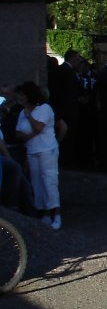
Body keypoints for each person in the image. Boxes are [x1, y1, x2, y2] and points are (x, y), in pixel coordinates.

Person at [14, 81, 62, 230]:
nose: (20, 98)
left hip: (46, 150)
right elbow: (18, 133)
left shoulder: (44, 108)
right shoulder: (22, 112)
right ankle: (44, 213)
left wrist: (29, 116)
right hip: (32, 150)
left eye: (22, 95)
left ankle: (56, 214)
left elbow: (39, 127)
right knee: (37, 182)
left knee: (49, 180)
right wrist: (29, 135)